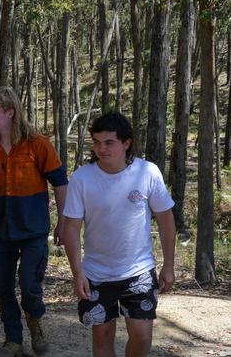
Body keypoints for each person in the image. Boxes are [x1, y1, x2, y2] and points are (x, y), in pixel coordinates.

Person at [61, 112, 176, 357]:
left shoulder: (148, 172)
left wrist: (168, 265)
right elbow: (71, 227)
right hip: (95, 274)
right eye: (97, 142)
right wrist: (77, 272)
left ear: (126, 143)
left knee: (142, 337)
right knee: (102, 336)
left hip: (138, 271)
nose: (101, 149)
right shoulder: (82, 177)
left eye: (109, 142)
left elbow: (166, 220)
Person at [0, 87, 68, 356]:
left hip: (33, 230)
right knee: (3, 288)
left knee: (29, 284)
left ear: (10, 113)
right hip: (0, 232)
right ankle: (13, 339)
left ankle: (35, 326)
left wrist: (63, 222)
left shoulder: (38, 144)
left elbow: (60, 182)